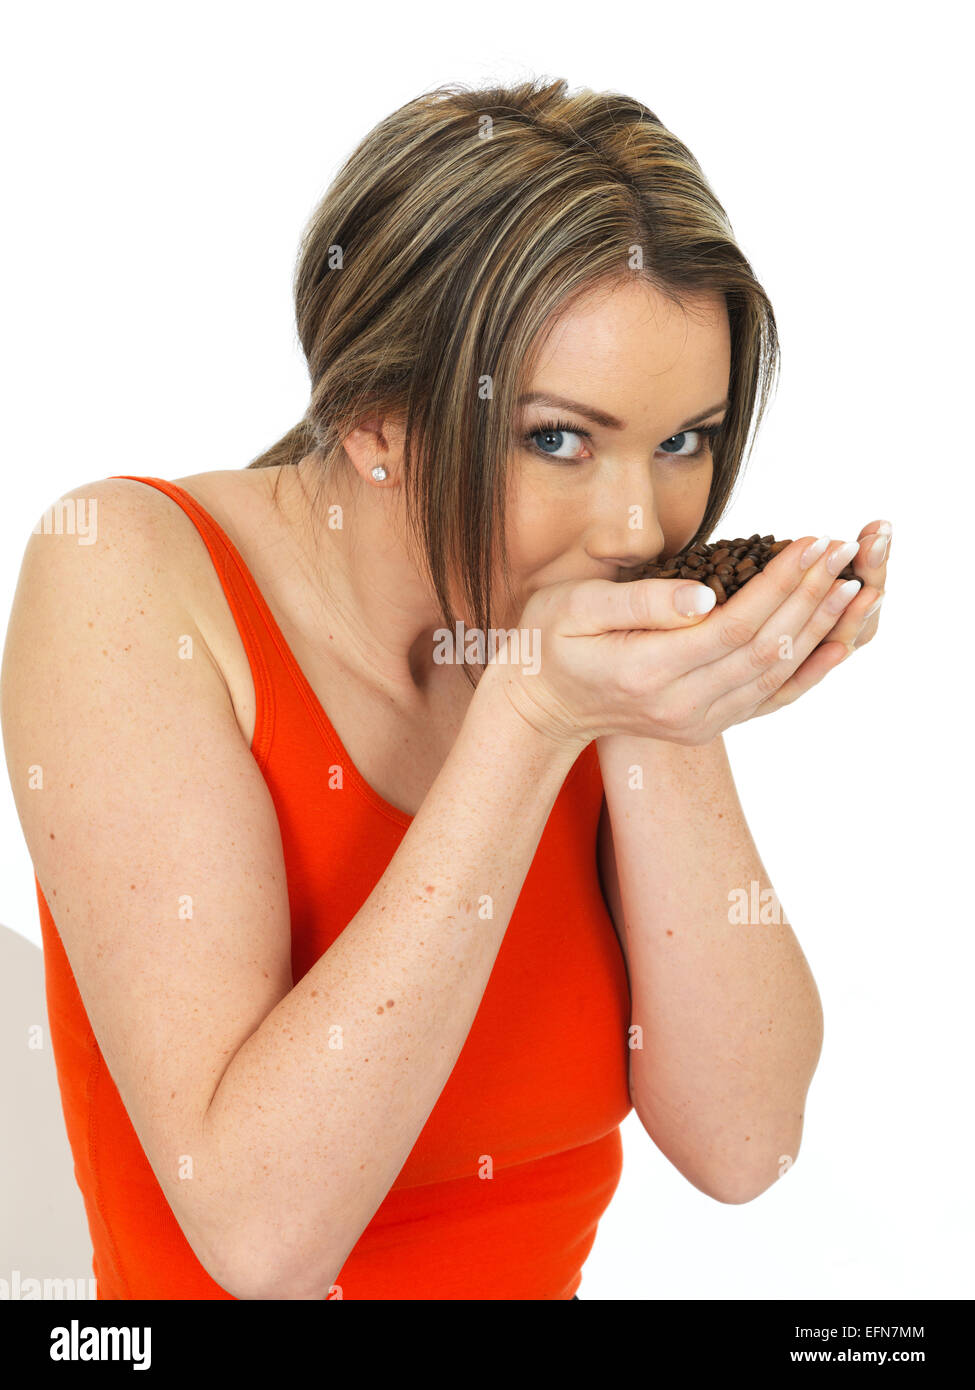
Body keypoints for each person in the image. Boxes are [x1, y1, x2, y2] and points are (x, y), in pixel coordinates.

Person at [0, 77, 888, 1301]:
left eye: (684, 440)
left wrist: (655, 714)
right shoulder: (122, 574)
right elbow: (261, 1240)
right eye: (559, 438)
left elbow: (746, 1145)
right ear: (373, 419)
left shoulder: (572, 614)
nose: (636, 527)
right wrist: (529, 719)